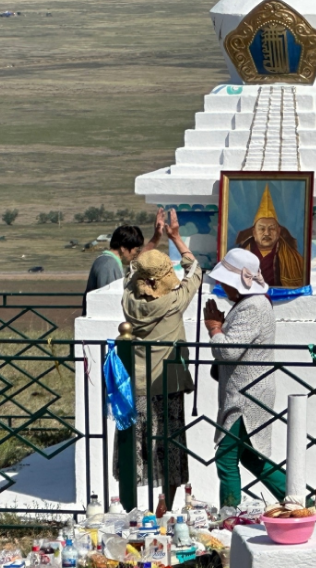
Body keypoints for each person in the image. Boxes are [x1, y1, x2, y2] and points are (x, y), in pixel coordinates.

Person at [117, 210, 201, 508]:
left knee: (137, 444)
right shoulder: (174, 300)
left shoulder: (129, 299)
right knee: (170, 444)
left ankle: (130, 506)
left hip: (137, 382)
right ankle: (166, 500)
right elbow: (195, 270)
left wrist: (152, 240)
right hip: (168, 383)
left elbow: (132, 270)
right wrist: (175, 237)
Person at [203, 248, 288, 507]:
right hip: (245, 391)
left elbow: (228, 351)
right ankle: (297, 500)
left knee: (226, 458)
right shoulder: (247, 304)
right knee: (253, 457)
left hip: (247, 396)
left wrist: (215, 329)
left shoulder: (252, 307)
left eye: (225, 282)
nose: (221, 286)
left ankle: (230, 516)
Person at [84, 215, 162, 311]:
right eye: (136, 250)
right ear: (123, 248)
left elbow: (139, 258)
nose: (136, 255)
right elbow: (109, 303)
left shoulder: (107, 261)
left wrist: (156, 237)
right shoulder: (109, 265)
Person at [235, 187, 306, 289]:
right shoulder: (241, 254)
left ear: (278, 231)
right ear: (254, 232)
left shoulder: (293, 257)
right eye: (262, 229)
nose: (267, 233)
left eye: (272, 228)